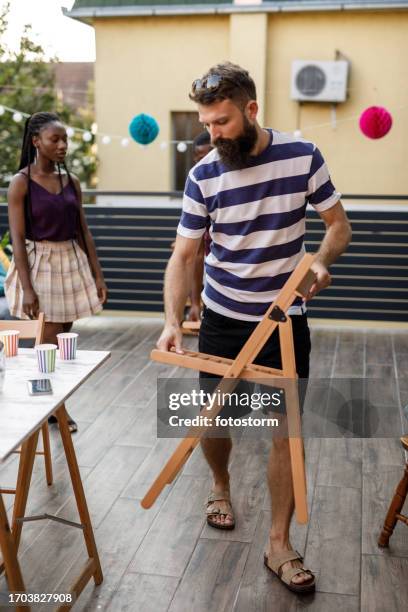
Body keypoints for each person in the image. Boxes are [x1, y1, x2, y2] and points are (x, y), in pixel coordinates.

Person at [157, 62, 351, 593]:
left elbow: (338, 226)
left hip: (285, 322)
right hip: (221, 317)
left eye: (221, 121)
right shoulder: (204, 175)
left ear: (251, 109)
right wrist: (174, 320)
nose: (211, 133)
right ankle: (220, 484)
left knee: (284, 433)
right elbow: (184, 254)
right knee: (213, 421)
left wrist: (321, 261)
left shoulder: (302, 156)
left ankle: (279, 542)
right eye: (206, 122)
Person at [5, 112, 108, 433]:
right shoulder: (20, 183)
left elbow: (84, 231)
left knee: (64, 341)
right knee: (46, 342)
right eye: (55, 139)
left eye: (65, 139)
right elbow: (18, 240)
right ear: (36, 141)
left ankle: (52, 404)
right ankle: (49, 407)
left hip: (71, 261)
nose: (63, 145)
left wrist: (98, 275)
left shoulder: (71, 181)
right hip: (40, 264)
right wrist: (27, 287)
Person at [186, 131, 213, 321]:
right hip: (213, 278)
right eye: (197, 158)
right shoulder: (198, 185)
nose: (200, 163)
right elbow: (195, 256)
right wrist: (195, 302)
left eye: (204, 156)